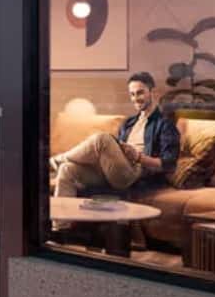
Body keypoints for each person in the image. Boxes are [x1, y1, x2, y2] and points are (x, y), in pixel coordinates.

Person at [53, 72, 180, 202]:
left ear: (153, 92)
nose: (135, 98)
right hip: (117, 172)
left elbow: (169, 164)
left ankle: (59, 159)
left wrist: (138, 157)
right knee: (67, 169)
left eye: (140, 93)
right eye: (132, 94)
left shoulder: (165, 124)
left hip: (136, 174)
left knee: (102, 139)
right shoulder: (129, 123)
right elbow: (115, 157)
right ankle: (60, 223)